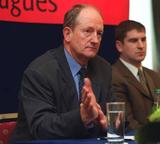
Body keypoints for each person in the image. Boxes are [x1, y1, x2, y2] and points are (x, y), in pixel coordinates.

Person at [9, 4, 112, 143]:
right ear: (67, 34)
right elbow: (41, 127)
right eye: (88, 31)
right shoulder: (40, 71)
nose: (95, 40)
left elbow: (117, 114)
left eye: (99, 34)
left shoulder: (103, 68)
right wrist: (81, 117)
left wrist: (107, 124)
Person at [112, 20, 160, 130]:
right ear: (119, 46)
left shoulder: (156, 77)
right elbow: (126, 122)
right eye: (134, 41)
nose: (141, 46)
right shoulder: (113, 76)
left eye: (143, 40)